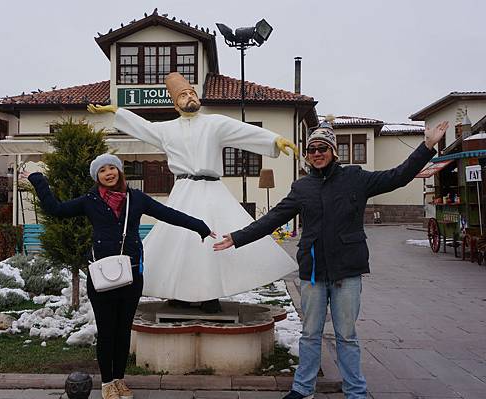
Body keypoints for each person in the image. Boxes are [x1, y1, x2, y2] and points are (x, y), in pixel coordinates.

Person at [213, 118, 449, 399]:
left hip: (346, 272)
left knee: (346, 336)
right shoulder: (302, 188)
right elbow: (273, 218)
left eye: (322, 148)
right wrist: (237, 237)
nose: (316, 153)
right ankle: (303, 388)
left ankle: (356, 392)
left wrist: (427, 146)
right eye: (312, 149)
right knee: (310, 333)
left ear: (333, 151)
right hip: (313, 271)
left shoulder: (356, 178)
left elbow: (397, 176)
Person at [88, 72, 299, 313]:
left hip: (211, 190)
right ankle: (179, 293)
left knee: (211, 242)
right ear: (175, 103)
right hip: (184, 190)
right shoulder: (166, 130)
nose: (189, 97)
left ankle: (210, 294)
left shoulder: (215, 123)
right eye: (183, 95)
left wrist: (275, 140)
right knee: (180, 244)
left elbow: (244, 131)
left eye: (191, 93)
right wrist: (117, 112)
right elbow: (143, 127)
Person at [24, 153, 215, 399]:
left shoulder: (136, 198)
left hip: (132, 274)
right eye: (102, 170)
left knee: (123, 330)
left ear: (119, 171)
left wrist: (200, 226)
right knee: (106, 331)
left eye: (111, 168)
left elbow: (168, 214)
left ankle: (119, 380)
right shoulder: (89, 200)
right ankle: (106, 383)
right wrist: (37, 179)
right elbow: (55, 209)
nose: (108, 173)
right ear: (97, 177)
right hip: (102, 276)